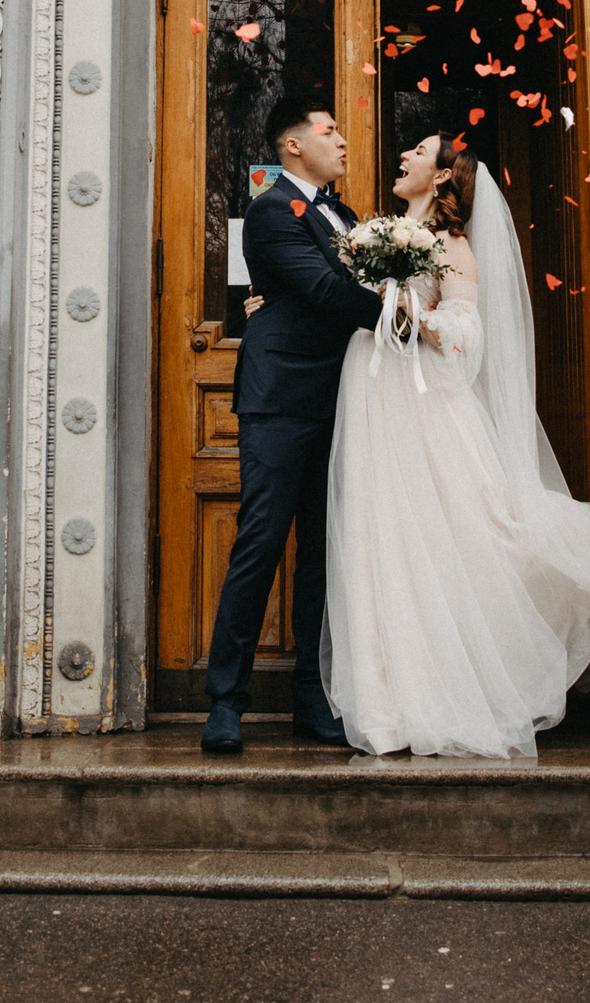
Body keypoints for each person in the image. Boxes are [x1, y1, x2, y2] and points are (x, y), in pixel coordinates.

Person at [322, 133, 590, 757]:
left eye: (420, 151)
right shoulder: (375, 233)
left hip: (422, 404)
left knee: (448, 532)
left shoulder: (453, 244)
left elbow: (466, 331)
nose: (404, 156)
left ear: (444, 177)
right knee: (379, 533)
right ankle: (387, 699)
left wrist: (411, 313)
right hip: (372, 395)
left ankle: (458, 689)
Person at [202, 101, 389, 754]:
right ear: (292, 145)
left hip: (341, 396)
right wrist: (407, 318)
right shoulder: (271, 210)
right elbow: (326, 290)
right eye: (329, 130)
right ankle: (225, 700)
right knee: (260, 542)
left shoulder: (348, 216)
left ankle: (313, 698)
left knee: (322, 552)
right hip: (280, 396)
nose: (342, 140)